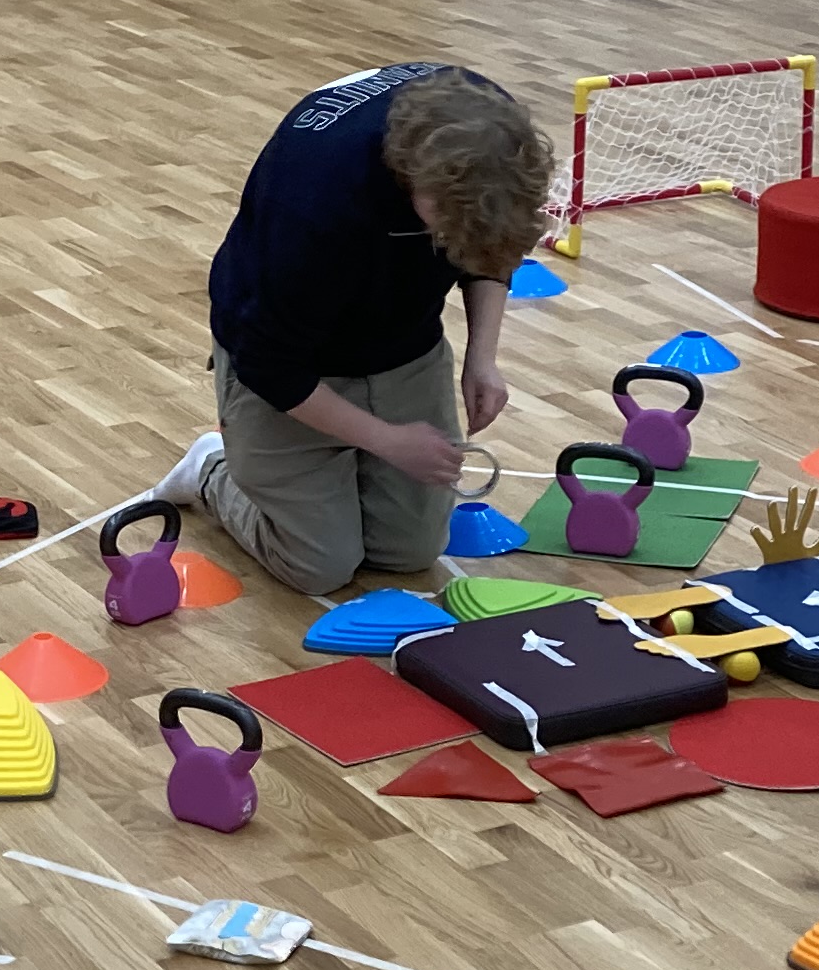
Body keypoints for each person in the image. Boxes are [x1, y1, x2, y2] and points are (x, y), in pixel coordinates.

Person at [150, 63, 553, 597]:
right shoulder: (316, 198)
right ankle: (209, 467)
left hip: (402, 344)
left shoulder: (499, 144)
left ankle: (339, 482)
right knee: (318, 565)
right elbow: (270, 364)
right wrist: (386, 440)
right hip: (292, 361)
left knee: (410, 551)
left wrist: (483, 356)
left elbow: (493, 244)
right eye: (448, 225)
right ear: (415, 180)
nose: (454, 241)